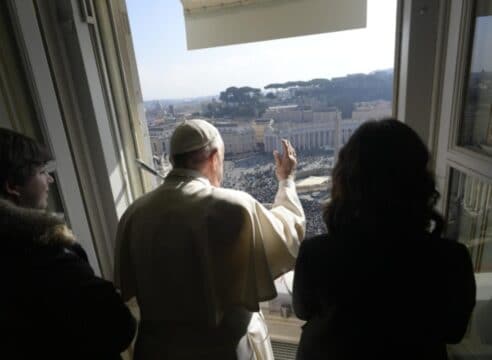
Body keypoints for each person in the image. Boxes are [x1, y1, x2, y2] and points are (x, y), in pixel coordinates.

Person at [115, 119, 306, 359]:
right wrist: (286, 180)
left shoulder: (133, 213)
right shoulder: (233, 206)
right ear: (215, 157)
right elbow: (289, 233)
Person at [293, 118, 476, 360]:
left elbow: (303, 311)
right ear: (420, 181)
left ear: (346, 180)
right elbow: (454, 332)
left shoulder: (315, 253)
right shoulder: (453, 259)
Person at [0, 128, 136, 359]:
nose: (50, 179)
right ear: (13, 186)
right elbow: (118, 328)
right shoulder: (45, 257)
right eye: (42, 172)